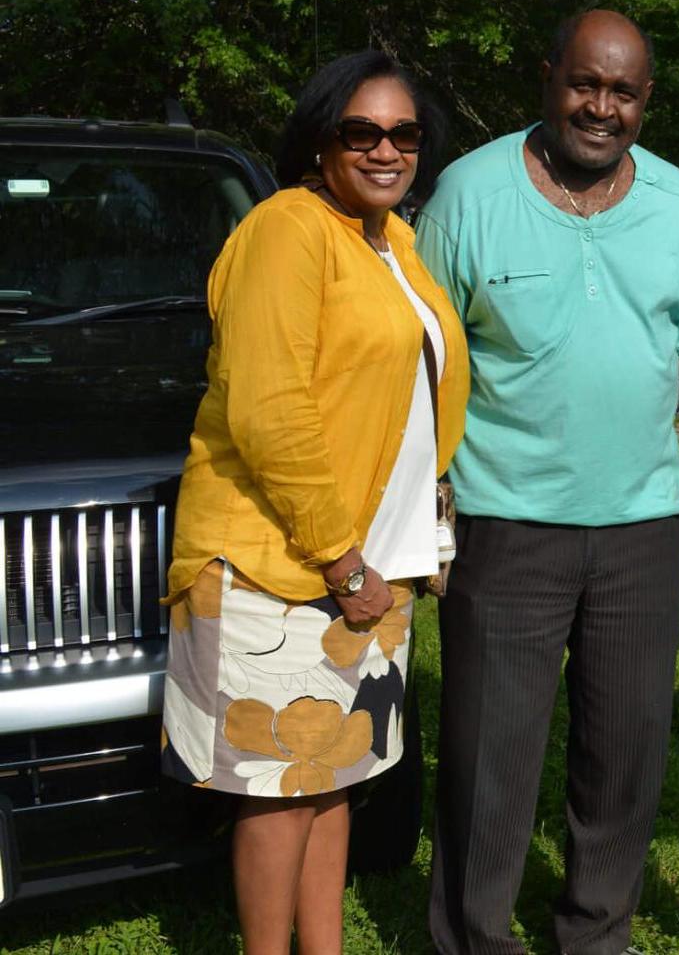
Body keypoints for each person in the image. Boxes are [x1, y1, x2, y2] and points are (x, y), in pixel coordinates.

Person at [417, 9, 679, 955]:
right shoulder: (469, 193)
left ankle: (596, 932)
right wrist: (420, 507)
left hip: (643, 522)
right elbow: (417, 360)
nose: (601, 107)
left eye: (623, 92)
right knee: (488, 754)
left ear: (646, 100)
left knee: (624, 752)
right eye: (585, 84)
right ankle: (474, 937)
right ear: (549, 78)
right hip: (506, 520)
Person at [159, 50, 468, 955]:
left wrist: (420, 538)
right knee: (273, 792)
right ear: (320, 140)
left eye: (403, 132)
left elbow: (406, 405)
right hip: (283, 566)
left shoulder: (391, 241)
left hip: (372, 564)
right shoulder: (286, 228)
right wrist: (341, 556)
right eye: (360, 131)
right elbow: (270, 407)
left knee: (331, 780)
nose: (385, 149)